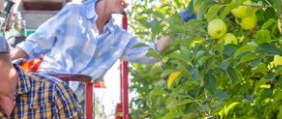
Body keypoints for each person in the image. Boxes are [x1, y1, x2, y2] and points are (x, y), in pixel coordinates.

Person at [10, 0, 194, 100]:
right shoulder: (75, 12)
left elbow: (152, 53)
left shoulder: (118, 37)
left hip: (76, 102)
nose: (128, 3)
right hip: (47, 91)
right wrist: (4, 61)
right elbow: (35, 43)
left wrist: (179, 22)